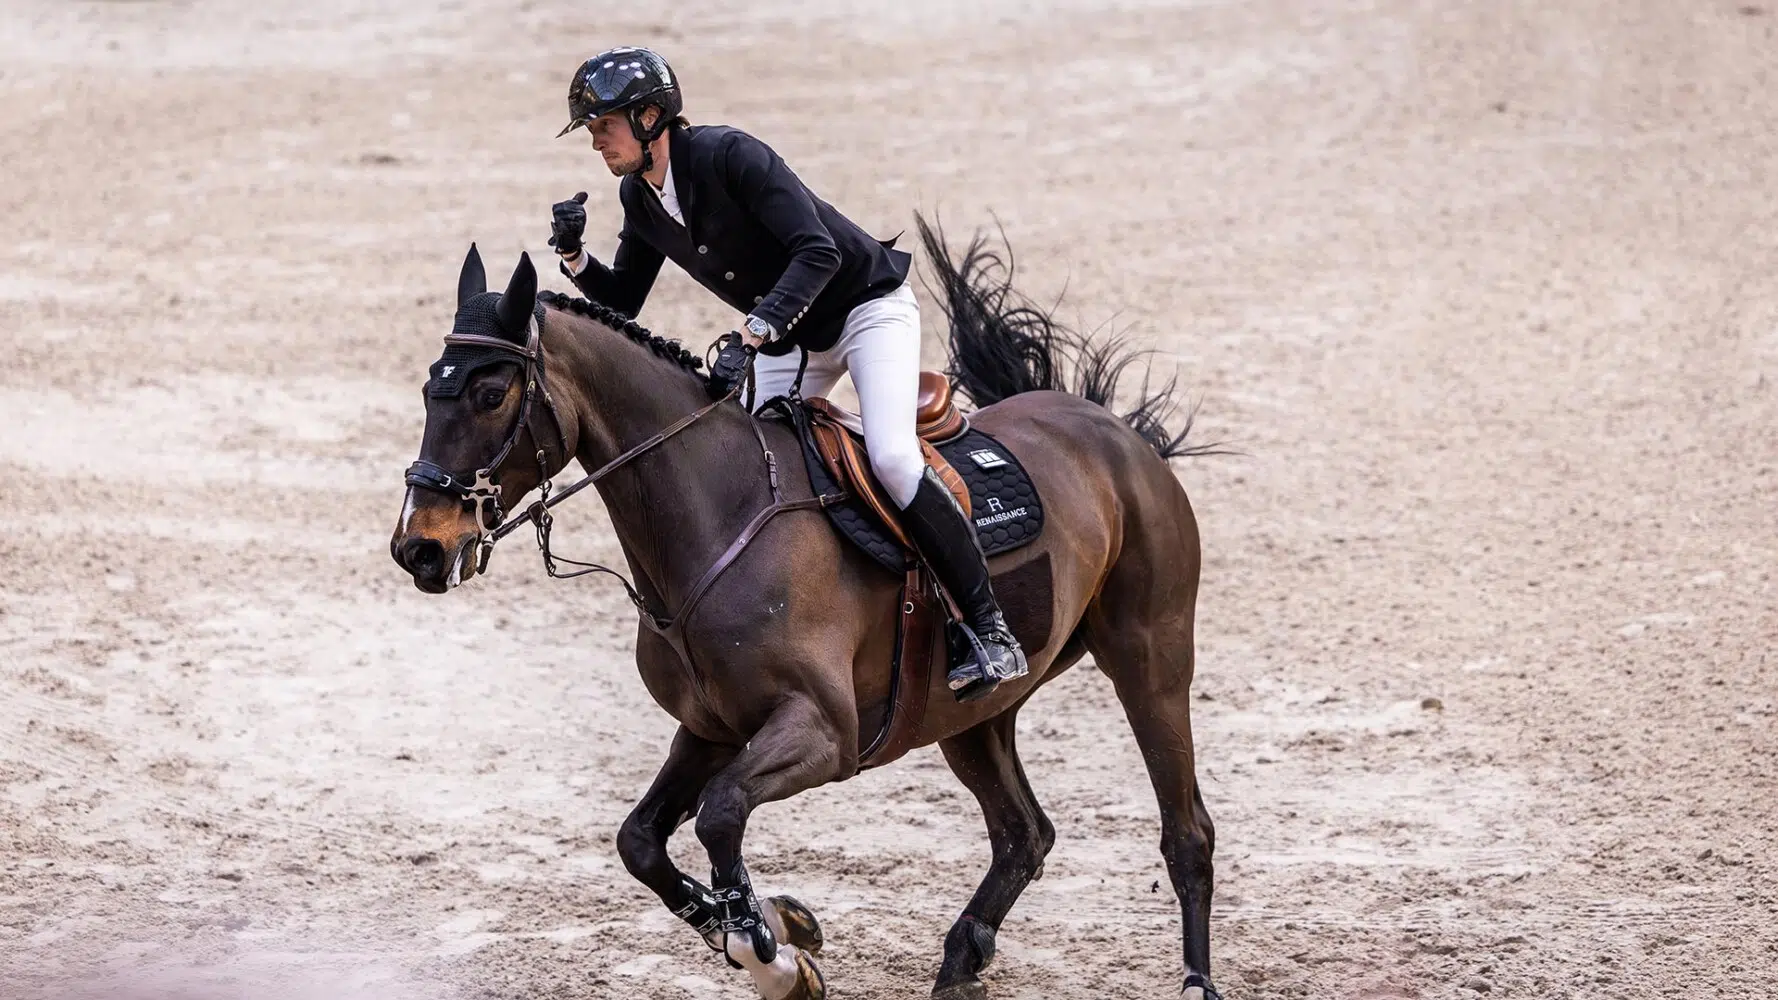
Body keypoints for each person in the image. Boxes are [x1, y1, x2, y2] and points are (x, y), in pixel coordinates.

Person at [547, 46, 1025, 701]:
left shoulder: (730, 157)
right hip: (788, 336)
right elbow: (623, 302)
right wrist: (574, 256)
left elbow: (817, 251)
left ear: (651, 116)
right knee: (751, 461)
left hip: (865, 310)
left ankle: (988, 629)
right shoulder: (642, 196)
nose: (595, 141)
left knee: (889, 455)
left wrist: (756, 331)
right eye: (592, 130)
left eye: (603, 124)